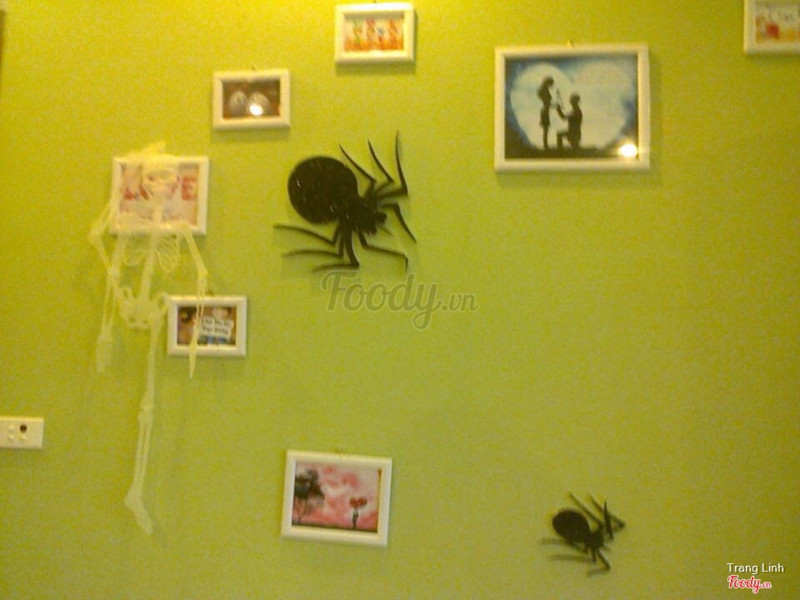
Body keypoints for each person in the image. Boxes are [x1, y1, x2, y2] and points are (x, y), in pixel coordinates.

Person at [537, 77, 555, 149]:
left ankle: (545, 144)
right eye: (551, 84)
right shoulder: (545, 91)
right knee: (545, 129)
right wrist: (555, 106)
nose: (551, 85)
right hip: (545, 111)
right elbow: (547, 103)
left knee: (546, 129)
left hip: (545, 110)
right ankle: (545, 145)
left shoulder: (545, 90)